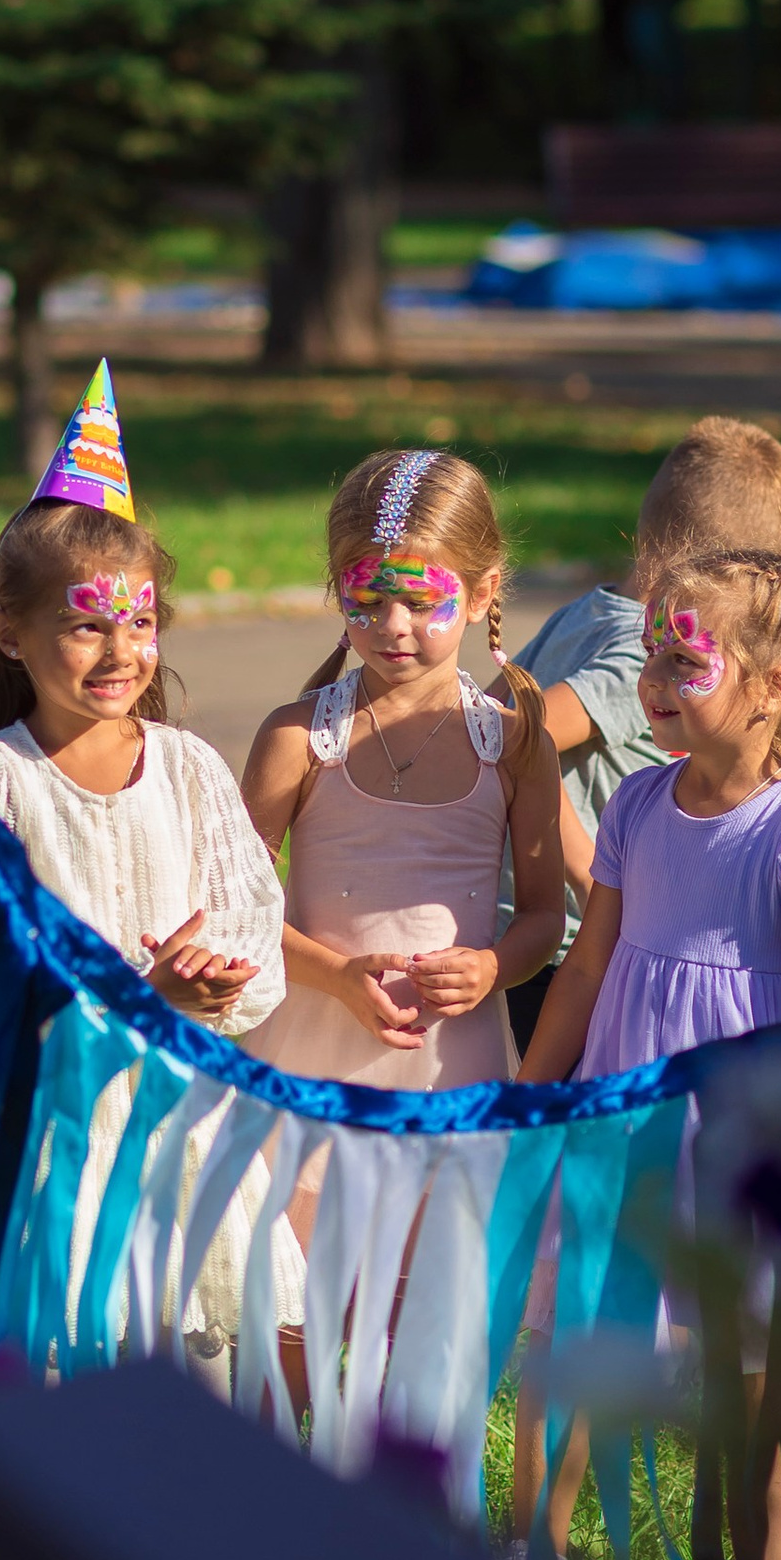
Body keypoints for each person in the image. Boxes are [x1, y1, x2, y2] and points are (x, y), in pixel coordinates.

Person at [518, 549, 781, 1560]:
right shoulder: (634, 805)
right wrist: (534, 1095)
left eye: (688, 663)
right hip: (628, 1113)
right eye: (654, 660)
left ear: (772, 690)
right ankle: (533, 1546)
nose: (656, 686)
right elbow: (586, 966)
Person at [0, 370, 289, 1372]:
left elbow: (248, 916)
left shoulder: (185, 767)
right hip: (58, 1125)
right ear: (11, 630)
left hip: (180, 1112)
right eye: (86, 623)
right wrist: (140, 992)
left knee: (203, 1354)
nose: (118, 648)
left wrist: (214, 976)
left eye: (139, 622)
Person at [242, 447, 566, 1108]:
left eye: (422, 601)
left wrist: (493, 967)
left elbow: (542, 917)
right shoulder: (296, 738)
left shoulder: (517, 746)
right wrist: (335, 976)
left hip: (453, 1069)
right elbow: (237, 905)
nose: (394, 625)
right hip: (310, 1069)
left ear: (481, 594)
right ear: (338, 589)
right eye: (369, 597)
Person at [505, 416, 781, 1057]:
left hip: (525, 926)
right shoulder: (650, 657)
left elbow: (489, 716)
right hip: (574, 942)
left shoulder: (586, 612)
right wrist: (595, 885)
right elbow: (518, 734)